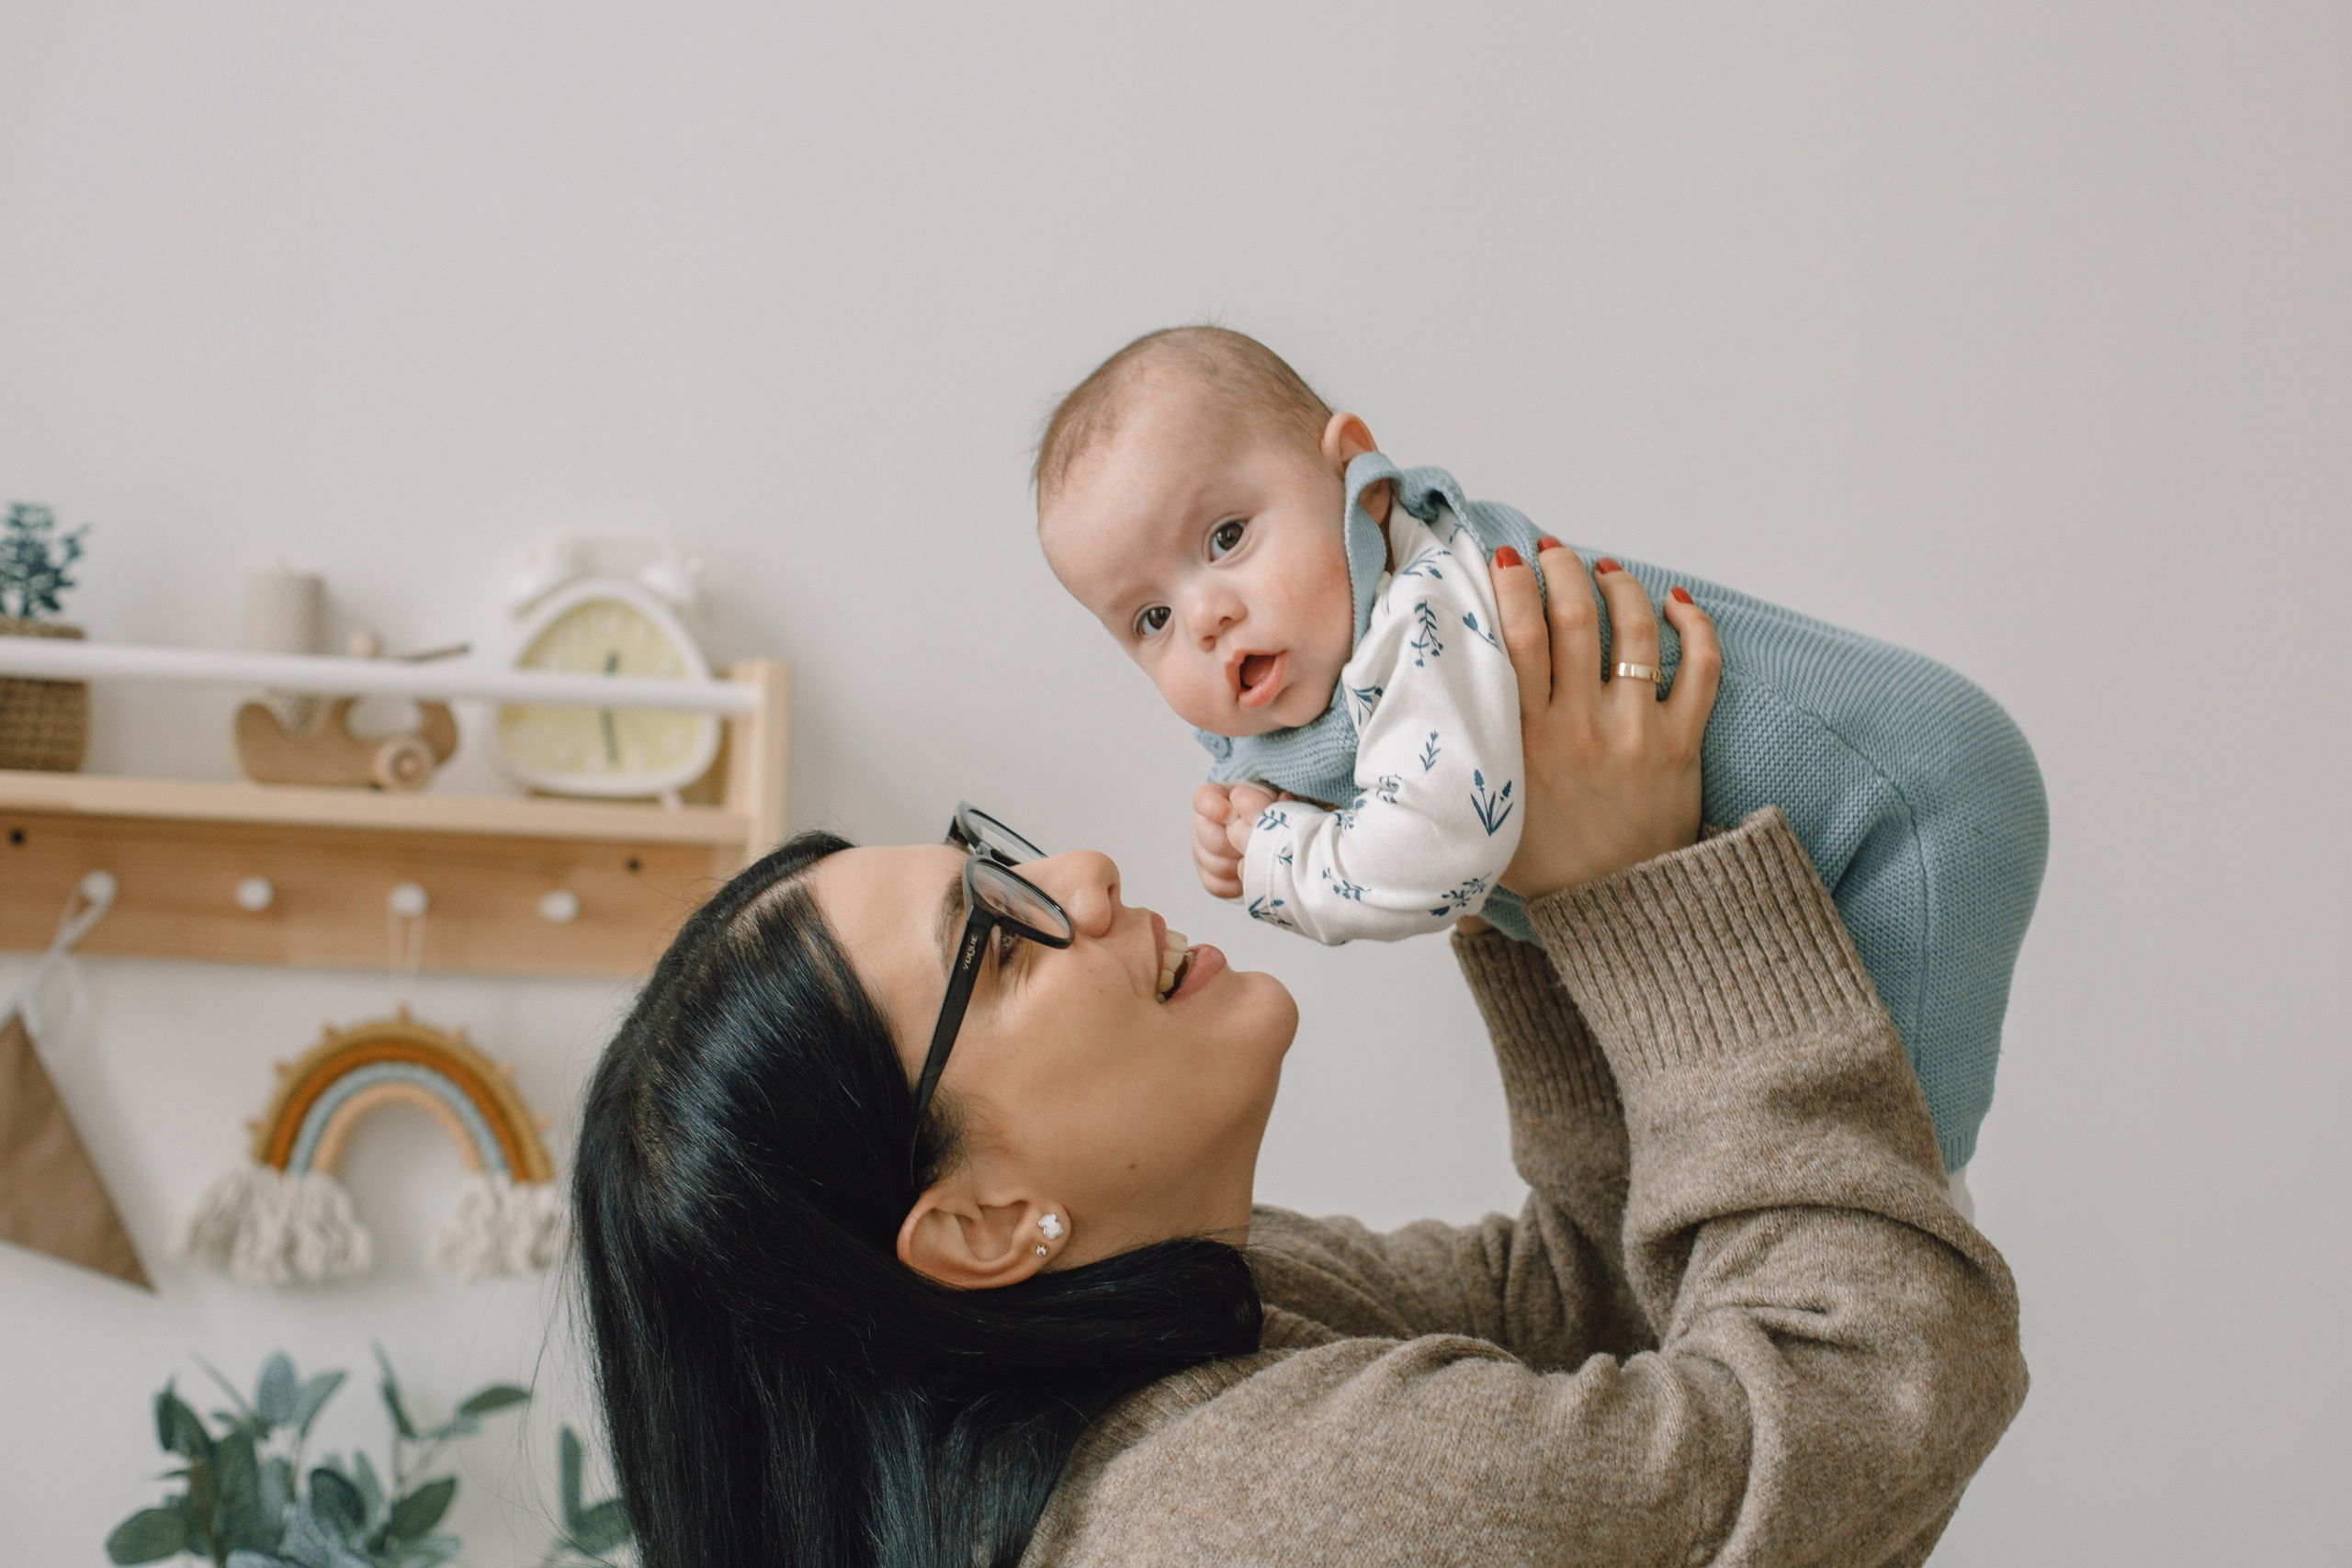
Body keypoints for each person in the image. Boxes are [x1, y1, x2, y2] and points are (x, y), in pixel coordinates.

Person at [572, 546, 2026, 1567]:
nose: (1079, 869)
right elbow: (1872, 1393)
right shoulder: (1241, 1519)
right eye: (998, 941)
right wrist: (1642, 903)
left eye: (994, 863)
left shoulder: (1199, 1327)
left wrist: (1531, 873)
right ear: (980, 1221)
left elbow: (1580, 1307)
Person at [1035, 325, 2047, 1180]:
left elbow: (1427, 862)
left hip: (1916, 808)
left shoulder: (1424, 615)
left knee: (1882, 1175)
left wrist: (1274, 857)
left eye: (1223, 538)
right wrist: (1269, 810)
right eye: (1151, 617)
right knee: (1790, 1148)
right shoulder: (1337, 651)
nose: (1206, 617)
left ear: (1354, 476)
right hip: (1847, 829)